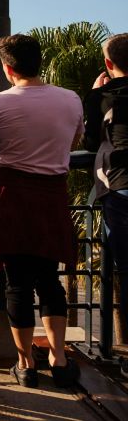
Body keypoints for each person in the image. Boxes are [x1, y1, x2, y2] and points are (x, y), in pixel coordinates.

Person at [0, 34, 84, 389]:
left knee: (18, 284)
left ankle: (25, 365)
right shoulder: (71, 99)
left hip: (15, 198)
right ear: (39, 61)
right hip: (53, 198)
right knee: (49, 280)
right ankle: (59, 358)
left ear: (8, 69)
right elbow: (75, 142)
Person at [84, 34, 128, 340]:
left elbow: (89, 141)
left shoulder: (106, 97)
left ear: (108, 64)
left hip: (122, 187)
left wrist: (94, 95)